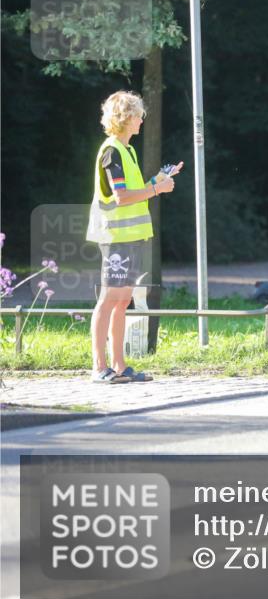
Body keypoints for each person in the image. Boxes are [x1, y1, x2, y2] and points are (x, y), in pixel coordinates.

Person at [86, 90, 183, 383]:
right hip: (116, 237)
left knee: (123, 300)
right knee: (109, 299)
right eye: (138, 114)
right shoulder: (112, 151)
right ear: (125, 117)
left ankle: (119, 365)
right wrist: (156, 190)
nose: (142, 119)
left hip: (133, 238)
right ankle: (99, 367)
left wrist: (158, 180)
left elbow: (136, 190)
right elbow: (122, 197)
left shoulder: (127, 150)